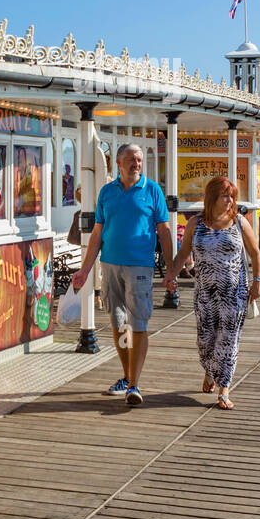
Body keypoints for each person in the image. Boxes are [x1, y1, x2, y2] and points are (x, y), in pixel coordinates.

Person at [71, 144, 174, 406]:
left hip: (140, 266)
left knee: (137, 323)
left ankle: (134, 385)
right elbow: (97, 233)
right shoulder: (107, 192)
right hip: (110, 265)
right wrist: (85, 269)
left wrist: (172, 269)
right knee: (118, 324)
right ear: (118, 162)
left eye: (139, 159)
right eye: (131, 159)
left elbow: (164, 231)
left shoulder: (152, 190)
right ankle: (128, 377)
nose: (136, 163)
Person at [168, 176, 260, 410]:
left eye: (232, 196)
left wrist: (257, 282)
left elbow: (255, 253)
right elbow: (182, 255)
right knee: (205, 341)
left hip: (234, 293)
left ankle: (224, 389)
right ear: (212, 198)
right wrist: (171, 275)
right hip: (205, 294)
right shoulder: (196, 224)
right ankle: (210, 371)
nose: (230, 200)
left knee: (228, 341)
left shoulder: (239, 222)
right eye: (225, 196)